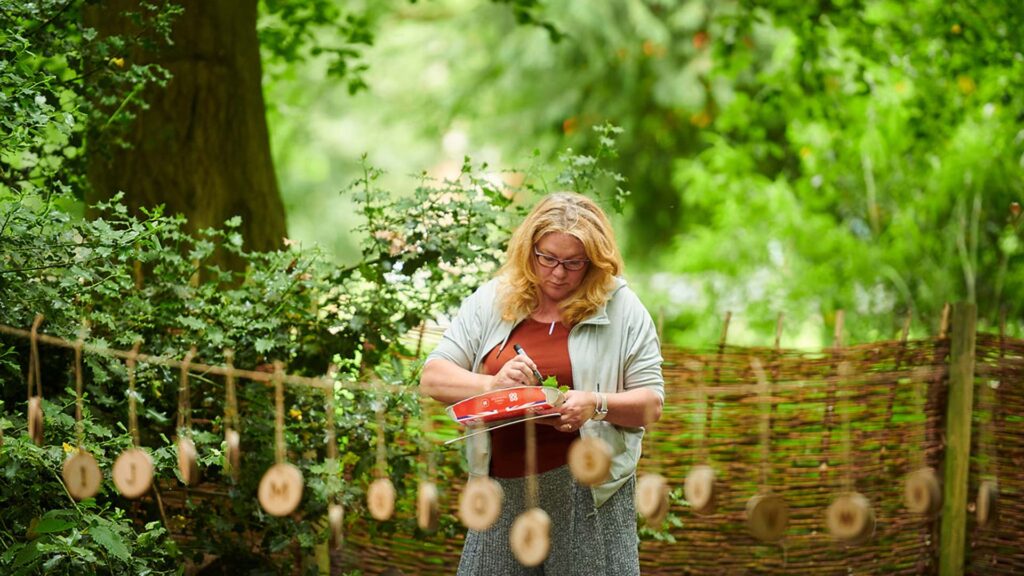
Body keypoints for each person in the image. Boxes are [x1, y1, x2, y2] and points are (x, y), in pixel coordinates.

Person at [420, 192, 664, 575]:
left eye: (572, 262)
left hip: (587, 492)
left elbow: (652, 404)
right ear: (529, 249)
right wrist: (492, 384)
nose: (558, 272)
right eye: (547, 257)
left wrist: (595, 404)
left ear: (595, 261)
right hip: (501, 488)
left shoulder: (622, 308)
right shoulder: (495, 299)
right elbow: (433, 377)